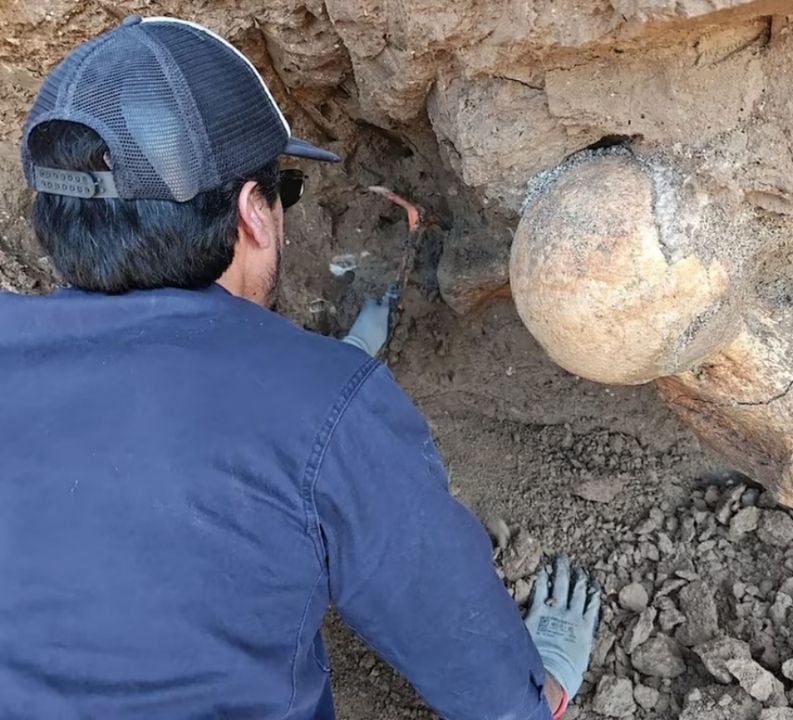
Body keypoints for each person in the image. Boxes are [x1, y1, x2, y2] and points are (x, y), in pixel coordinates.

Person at [0, 16, 600, 720]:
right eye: (284, 188)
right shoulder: (327, 412)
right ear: (253, 213)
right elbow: (495, 696)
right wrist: (545, 684)